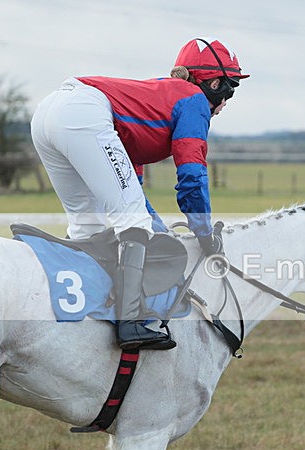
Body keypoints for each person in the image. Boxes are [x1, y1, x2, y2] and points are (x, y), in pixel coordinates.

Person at [30, 38, 249, 351]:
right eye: (230, 88)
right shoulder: (194, 101)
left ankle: (77, 315)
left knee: (87, 224)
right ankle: (130, 322)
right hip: (81, 113)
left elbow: (130, 185)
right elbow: (192, 175)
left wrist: (156, 225)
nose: (227, 101)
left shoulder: (159, 96)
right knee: (132, 223)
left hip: (47, 113)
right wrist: (203, 233)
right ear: (214, 83)